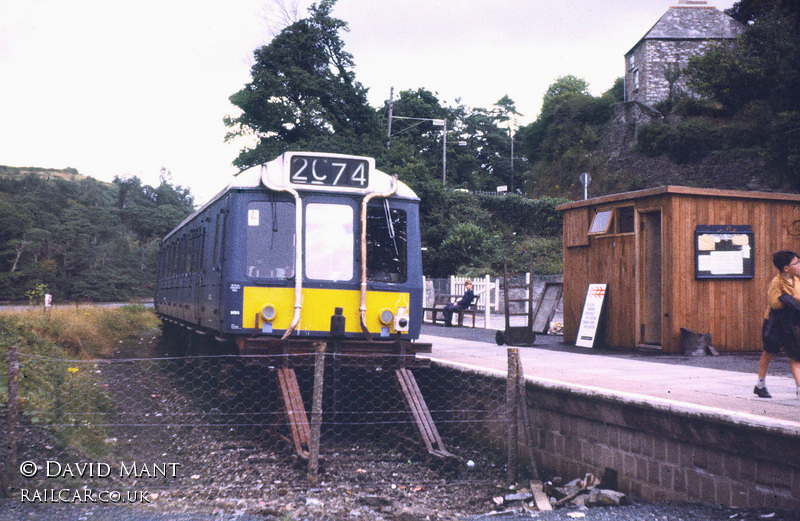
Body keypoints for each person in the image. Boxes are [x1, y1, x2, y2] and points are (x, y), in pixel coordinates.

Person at [755, 250, 800, 398]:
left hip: (789, 323)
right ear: (786, 268)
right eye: (796, 263)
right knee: (768, 353)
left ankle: (799, 386)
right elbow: (774, 303)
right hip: (774, 323)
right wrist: (794, 299)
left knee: (795, 355)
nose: (799, 265)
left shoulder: (797, 280)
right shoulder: (777, 282)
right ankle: (760, 383)